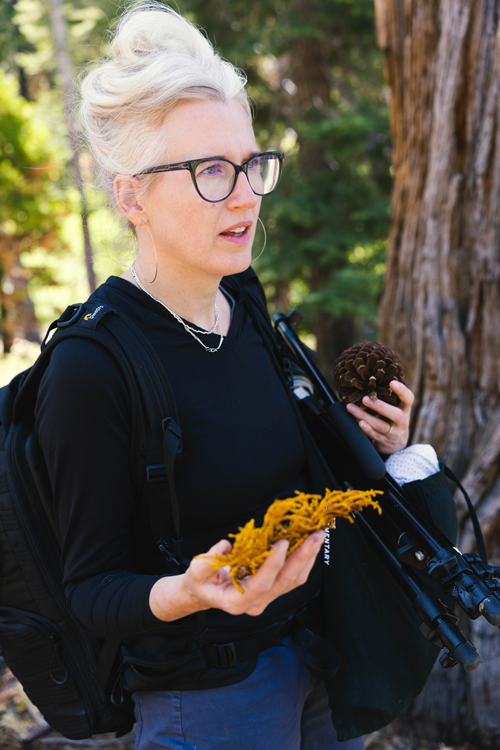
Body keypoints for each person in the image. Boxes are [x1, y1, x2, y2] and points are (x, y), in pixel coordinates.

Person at [35, 4, 415, 749]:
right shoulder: (90, 368)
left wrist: (370, 442)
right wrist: (188, 591)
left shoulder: (240, 298)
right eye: (210, 169)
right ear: (131, 195)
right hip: (208, 702)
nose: (246, 195)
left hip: (317, 656)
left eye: (249, 163)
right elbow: (89, 589)